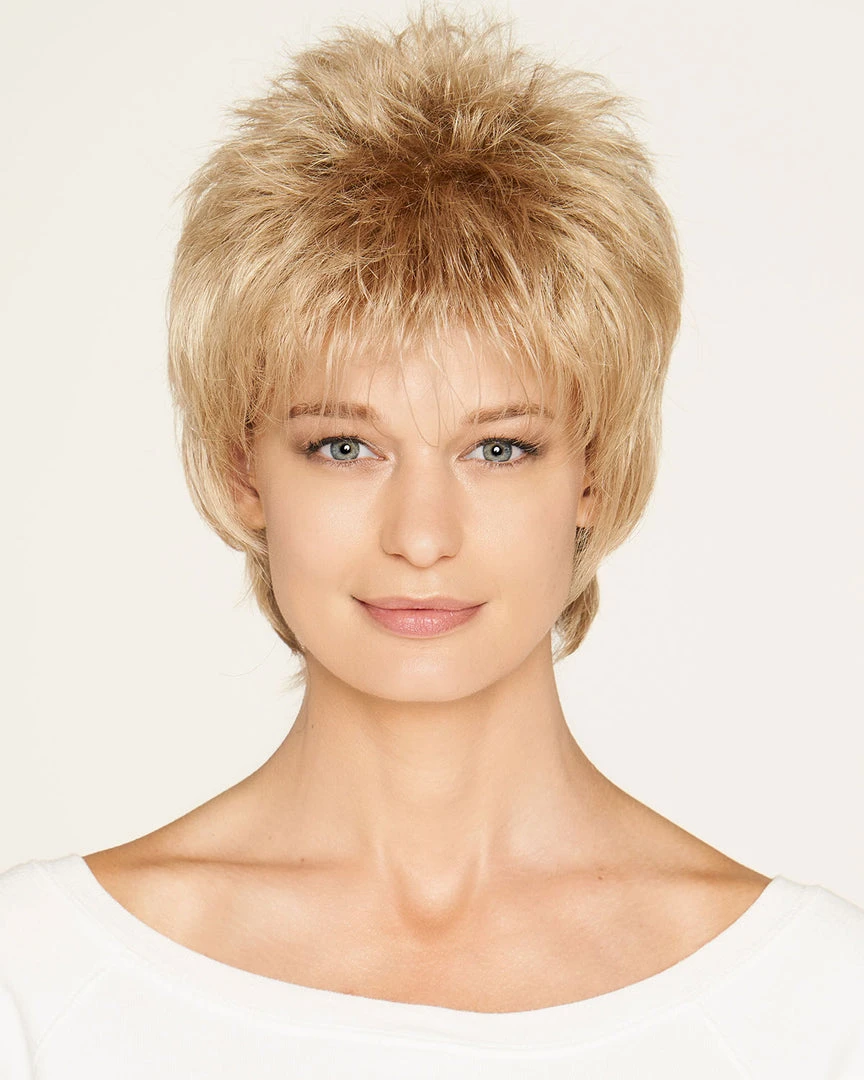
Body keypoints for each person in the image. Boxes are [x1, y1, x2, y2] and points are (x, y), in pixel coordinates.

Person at [2, 7, 862, 1076]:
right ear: (242, 468)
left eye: (498, 449)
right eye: (344, 447)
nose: (421, 536)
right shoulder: (39, 982)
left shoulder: (814, 1004)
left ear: (593, 470)